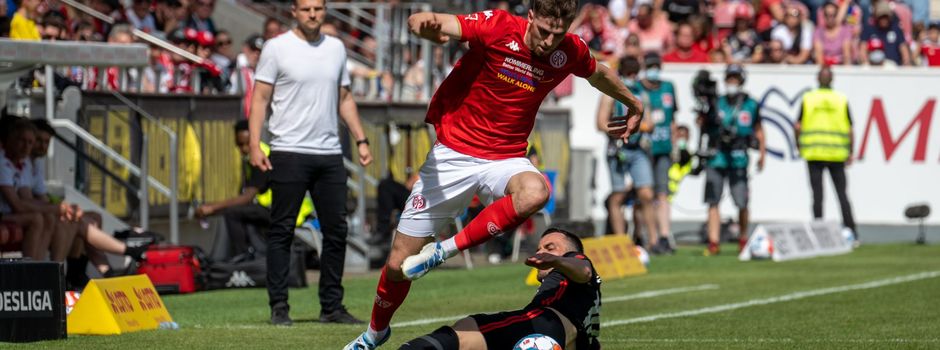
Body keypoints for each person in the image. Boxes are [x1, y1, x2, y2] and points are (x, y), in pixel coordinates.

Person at [346, 1, 642, 348]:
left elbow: (600, 73)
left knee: (536, 191)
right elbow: (439, 22)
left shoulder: (569, 50)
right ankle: (375, 333)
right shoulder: (499, 26)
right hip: (452, 155)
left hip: (505, 157)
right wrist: (422, 25)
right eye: (544, 31)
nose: (549, 41)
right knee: (397, 266)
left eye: (557, 34)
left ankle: (443, 251)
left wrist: (634, 103)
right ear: (530, 16)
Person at [247, 0, 373, 326]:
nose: (313, 14)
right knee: (282, 230)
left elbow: (344, 98)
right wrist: (253, 143)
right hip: (288, 150)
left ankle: (332, 306)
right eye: (306, 9)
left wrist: (360, 139)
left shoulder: (336, 48)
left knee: (336, 231)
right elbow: (260, 98)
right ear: (294, 11)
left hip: (329, 152)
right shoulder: (277, 48)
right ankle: (279, 307)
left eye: (318, 8)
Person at [399, 228, 601, 350]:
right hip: (565, 339)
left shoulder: (574, 260)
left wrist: (557, 260)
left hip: (543, 325)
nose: (541, 252)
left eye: (550, 247)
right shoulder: (580, 297)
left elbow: (584, 270)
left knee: (466, 331)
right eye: (539, 248)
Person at [196, 120, 313, 260]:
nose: (244, 148)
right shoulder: (256, 154)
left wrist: (212, 208)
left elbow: (247, 198)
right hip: (277, 208)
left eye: (247, 143)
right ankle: (249, 255)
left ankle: (243, 257)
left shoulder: (261, 157)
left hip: (287, 211)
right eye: (240, 144)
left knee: (232, 212)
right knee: (241, 211)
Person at [700, 64, 766, 256]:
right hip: (717, 156)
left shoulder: (750, 104)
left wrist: (762, 154)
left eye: (735, 80)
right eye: (729, 79)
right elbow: (705, 126)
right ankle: (714, 242)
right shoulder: (716, 102)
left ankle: (743, 237)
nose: (732, 83)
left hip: (738, 157)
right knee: (713, 200)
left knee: (742, 201)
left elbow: (759, 130)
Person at [795, 66, 857, 240]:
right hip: (837, 153)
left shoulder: (809, 98)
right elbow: (850, 129)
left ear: (817, 79)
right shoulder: (840, 99)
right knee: (842, 195)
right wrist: (851, 151)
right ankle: (852, 231)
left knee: (817, 196)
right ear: (832, 79)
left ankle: (818, 233)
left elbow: (797, 126)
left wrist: (798, 145)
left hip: (814, 153)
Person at [638, 52, 677, 254]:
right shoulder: (638, 88)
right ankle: (647, 236)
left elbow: (672, 120)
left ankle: (664, 236)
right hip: (643, 149)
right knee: (645, 195)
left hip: (664, 148)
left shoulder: (668, 88)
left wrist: (676, 146)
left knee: (662, 194)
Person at [859, 1, 911, 66]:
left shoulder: (896, 29)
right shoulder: (869, 29)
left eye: (886, 16)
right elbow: (862, 49)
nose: (884, 19)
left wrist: (906, 64)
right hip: (873, 67)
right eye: (881, 17)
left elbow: (904, 50)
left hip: (892, 67)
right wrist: (866, 64)